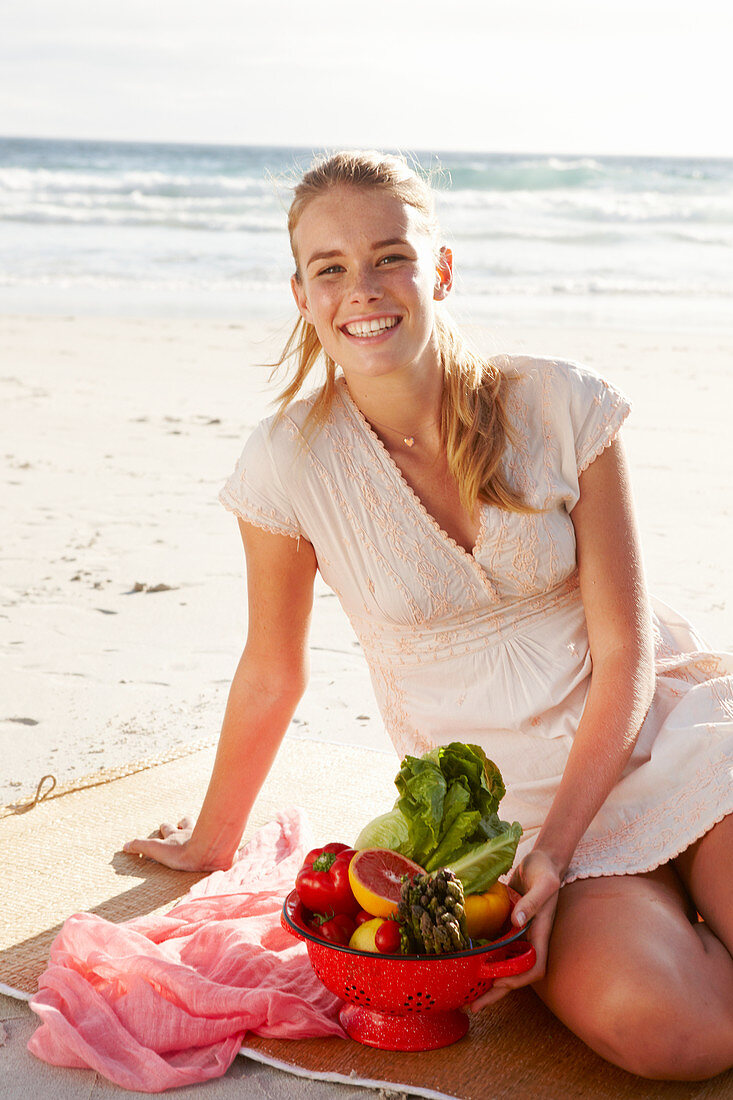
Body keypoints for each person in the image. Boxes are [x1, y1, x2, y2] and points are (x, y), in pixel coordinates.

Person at [124, 150, 733, 1081]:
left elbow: (625, 653)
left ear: (438, 269)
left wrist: (561, 853)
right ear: (301, 294)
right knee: (672, 1038)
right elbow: (272, 669)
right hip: (506, 814)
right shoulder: (286, 466)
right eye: (329, 267)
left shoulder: (559, 402)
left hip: (665, 737)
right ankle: (665, 924)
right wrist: (210, 840)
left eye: (389, 257)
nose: (361, 288)